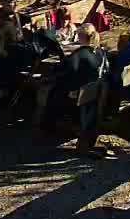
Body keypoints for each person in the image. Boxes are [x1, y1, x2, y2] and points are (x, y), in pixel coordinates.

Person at [45, 23, 109, 154]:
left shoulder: (79, 54)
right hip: (95, 93)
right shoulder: (100, 52)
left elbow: (68, 72)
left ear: (81, 37)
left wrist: (52, 74)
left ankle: (48, 126)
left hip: (80, 96)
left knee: (52, 91)